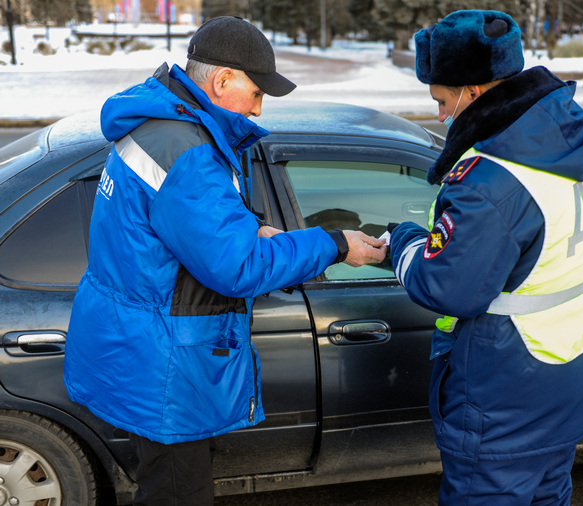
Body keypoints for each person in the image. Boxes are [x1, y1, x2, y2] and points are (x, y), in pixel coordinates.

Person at [63, 16, 386, 506]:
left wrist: (248, 226)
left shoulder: (156, 129)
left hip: (139, 345)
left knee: (164, 485)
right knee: (177, 493)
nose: (257, 110)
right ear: (221, 80)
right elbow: (239, 268)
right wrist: (337, 244)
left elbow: (170, 227)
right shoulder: (188, 152)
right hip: (167, 363)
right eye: (256, 94)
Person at [387, 10, 583, 505]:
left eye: (442, 100)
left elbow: (448, 287)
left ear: (472, 90)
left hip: (509, 394)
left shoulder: (491, 179)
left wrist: (402, 242)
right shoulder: (573, 139)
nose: (443, 117)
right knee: (549, 494)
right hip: (574, 373)